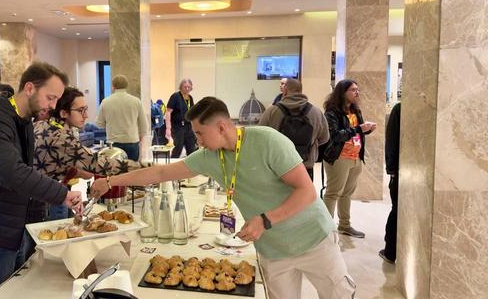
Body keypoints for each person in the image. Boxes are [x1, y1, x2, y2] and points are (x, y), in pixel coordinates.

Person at [91, 97, 355, 298]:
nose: (197, 141)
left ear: (221, 126)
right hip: (274, 252)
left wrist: (265, 220)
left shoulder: (268, 141)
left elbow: (306, 191)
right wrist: (111, 181)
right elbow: (160, 172)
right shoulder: (209, 157)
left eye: (200, 134)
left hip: (313, 240)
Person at [0, 62, 83, 298]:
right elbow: (10, 172)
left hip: (9, 220)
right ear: (29, 88)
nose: (53, 105)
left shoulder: (22, 119)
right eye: (50, 97)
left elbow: (26, 170)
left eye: (56, 99)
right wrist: (61, 194)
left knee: (14, 289)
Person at [34, 87, 150, 220]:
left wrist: (76, 171)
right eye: (80, 110)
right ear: (64, 113)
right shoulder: (61, 138)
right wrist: (147, 169)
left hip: (43, 194)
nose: (86, 115)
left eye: (86, 109)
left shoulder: (44, 125)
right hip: (41, 201)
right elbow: (99, 164)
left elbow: (55, 163)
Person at [321, 79, 377, 239]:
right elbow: (335, 135)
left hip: (355, 157)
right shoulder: (332, 112)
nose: (357, 93)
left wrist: (366, 129)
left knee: (347, 193)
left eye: (357, 89)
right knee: (333, 193)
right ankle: (326, 229)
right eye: (353, 90)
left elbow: (356, 133)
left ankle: (344, 225)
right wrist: (359, 128)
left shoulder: (355, 110)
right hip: (339, 157)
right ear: (343, 92)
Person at [258, 78, 329, 181]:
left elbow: (260, 135)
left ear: (285, 90)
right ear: (300, 90)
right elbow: (325, 138)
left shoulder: (272, 111)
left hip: (278, 167)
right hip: (305, 167)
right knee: (304, 196)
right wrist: (311, 143)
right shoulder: (316, 112)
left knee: (280, 197)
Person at [96, 75, 148, 161]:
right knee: (132, 170)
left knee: (116, 171)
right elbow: (143, 124)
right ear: (127, 85)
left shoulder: (105, 102)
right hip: (132, 141)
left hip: (113, 143)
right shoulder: (136, 101)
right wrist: (140, 138)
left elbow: (99, 123)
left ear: (113, 86)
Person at [380, 102, 401, 264]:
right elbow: (392, 141)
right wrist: (392, 169)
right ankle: (390, 251)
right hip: (400, 172)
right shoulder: (400, 109)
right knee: (398, 209)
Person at [165, 79, 197, 158]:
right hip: (178, 127)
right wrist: (168, 128)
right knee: (178, 148)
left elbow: (192, 114)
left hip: (188, 126)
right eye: (185, 87)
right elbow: (168, 112)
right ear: (181, 87)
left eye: (189, 87)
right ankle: (172, 167)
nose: (187, 89)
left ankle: (191, 167)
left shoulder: (190, 98)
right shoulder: (175, 96)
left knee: (191, 148)